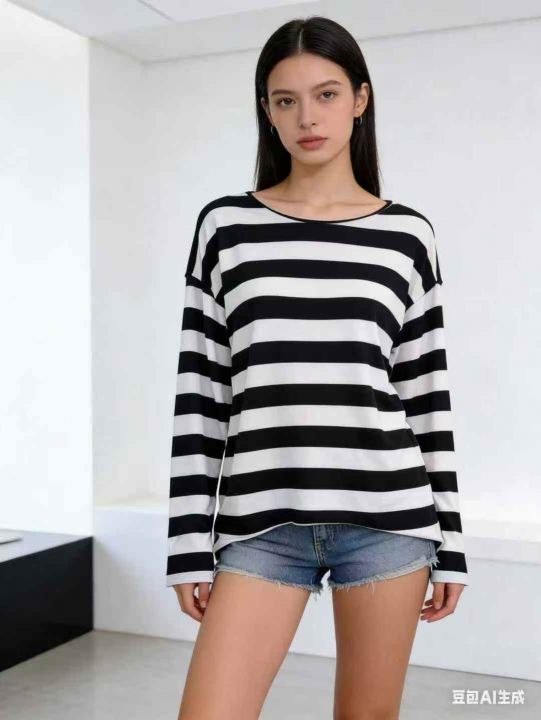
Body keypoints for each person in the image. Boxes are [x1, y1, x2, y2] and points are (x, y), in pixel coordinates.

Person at [167, 15, 468, 720]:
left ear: (360, 99)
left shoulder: (407, 236)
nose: (307, 117)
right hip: (260, 528)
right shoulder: (225, 228)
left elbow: (425, 396)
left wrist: (451, 543)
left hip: (388, 522)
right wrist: (187, 544)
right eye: (286, 100)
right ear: (266, 112)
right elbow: (202, 396)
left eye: (326, 94)